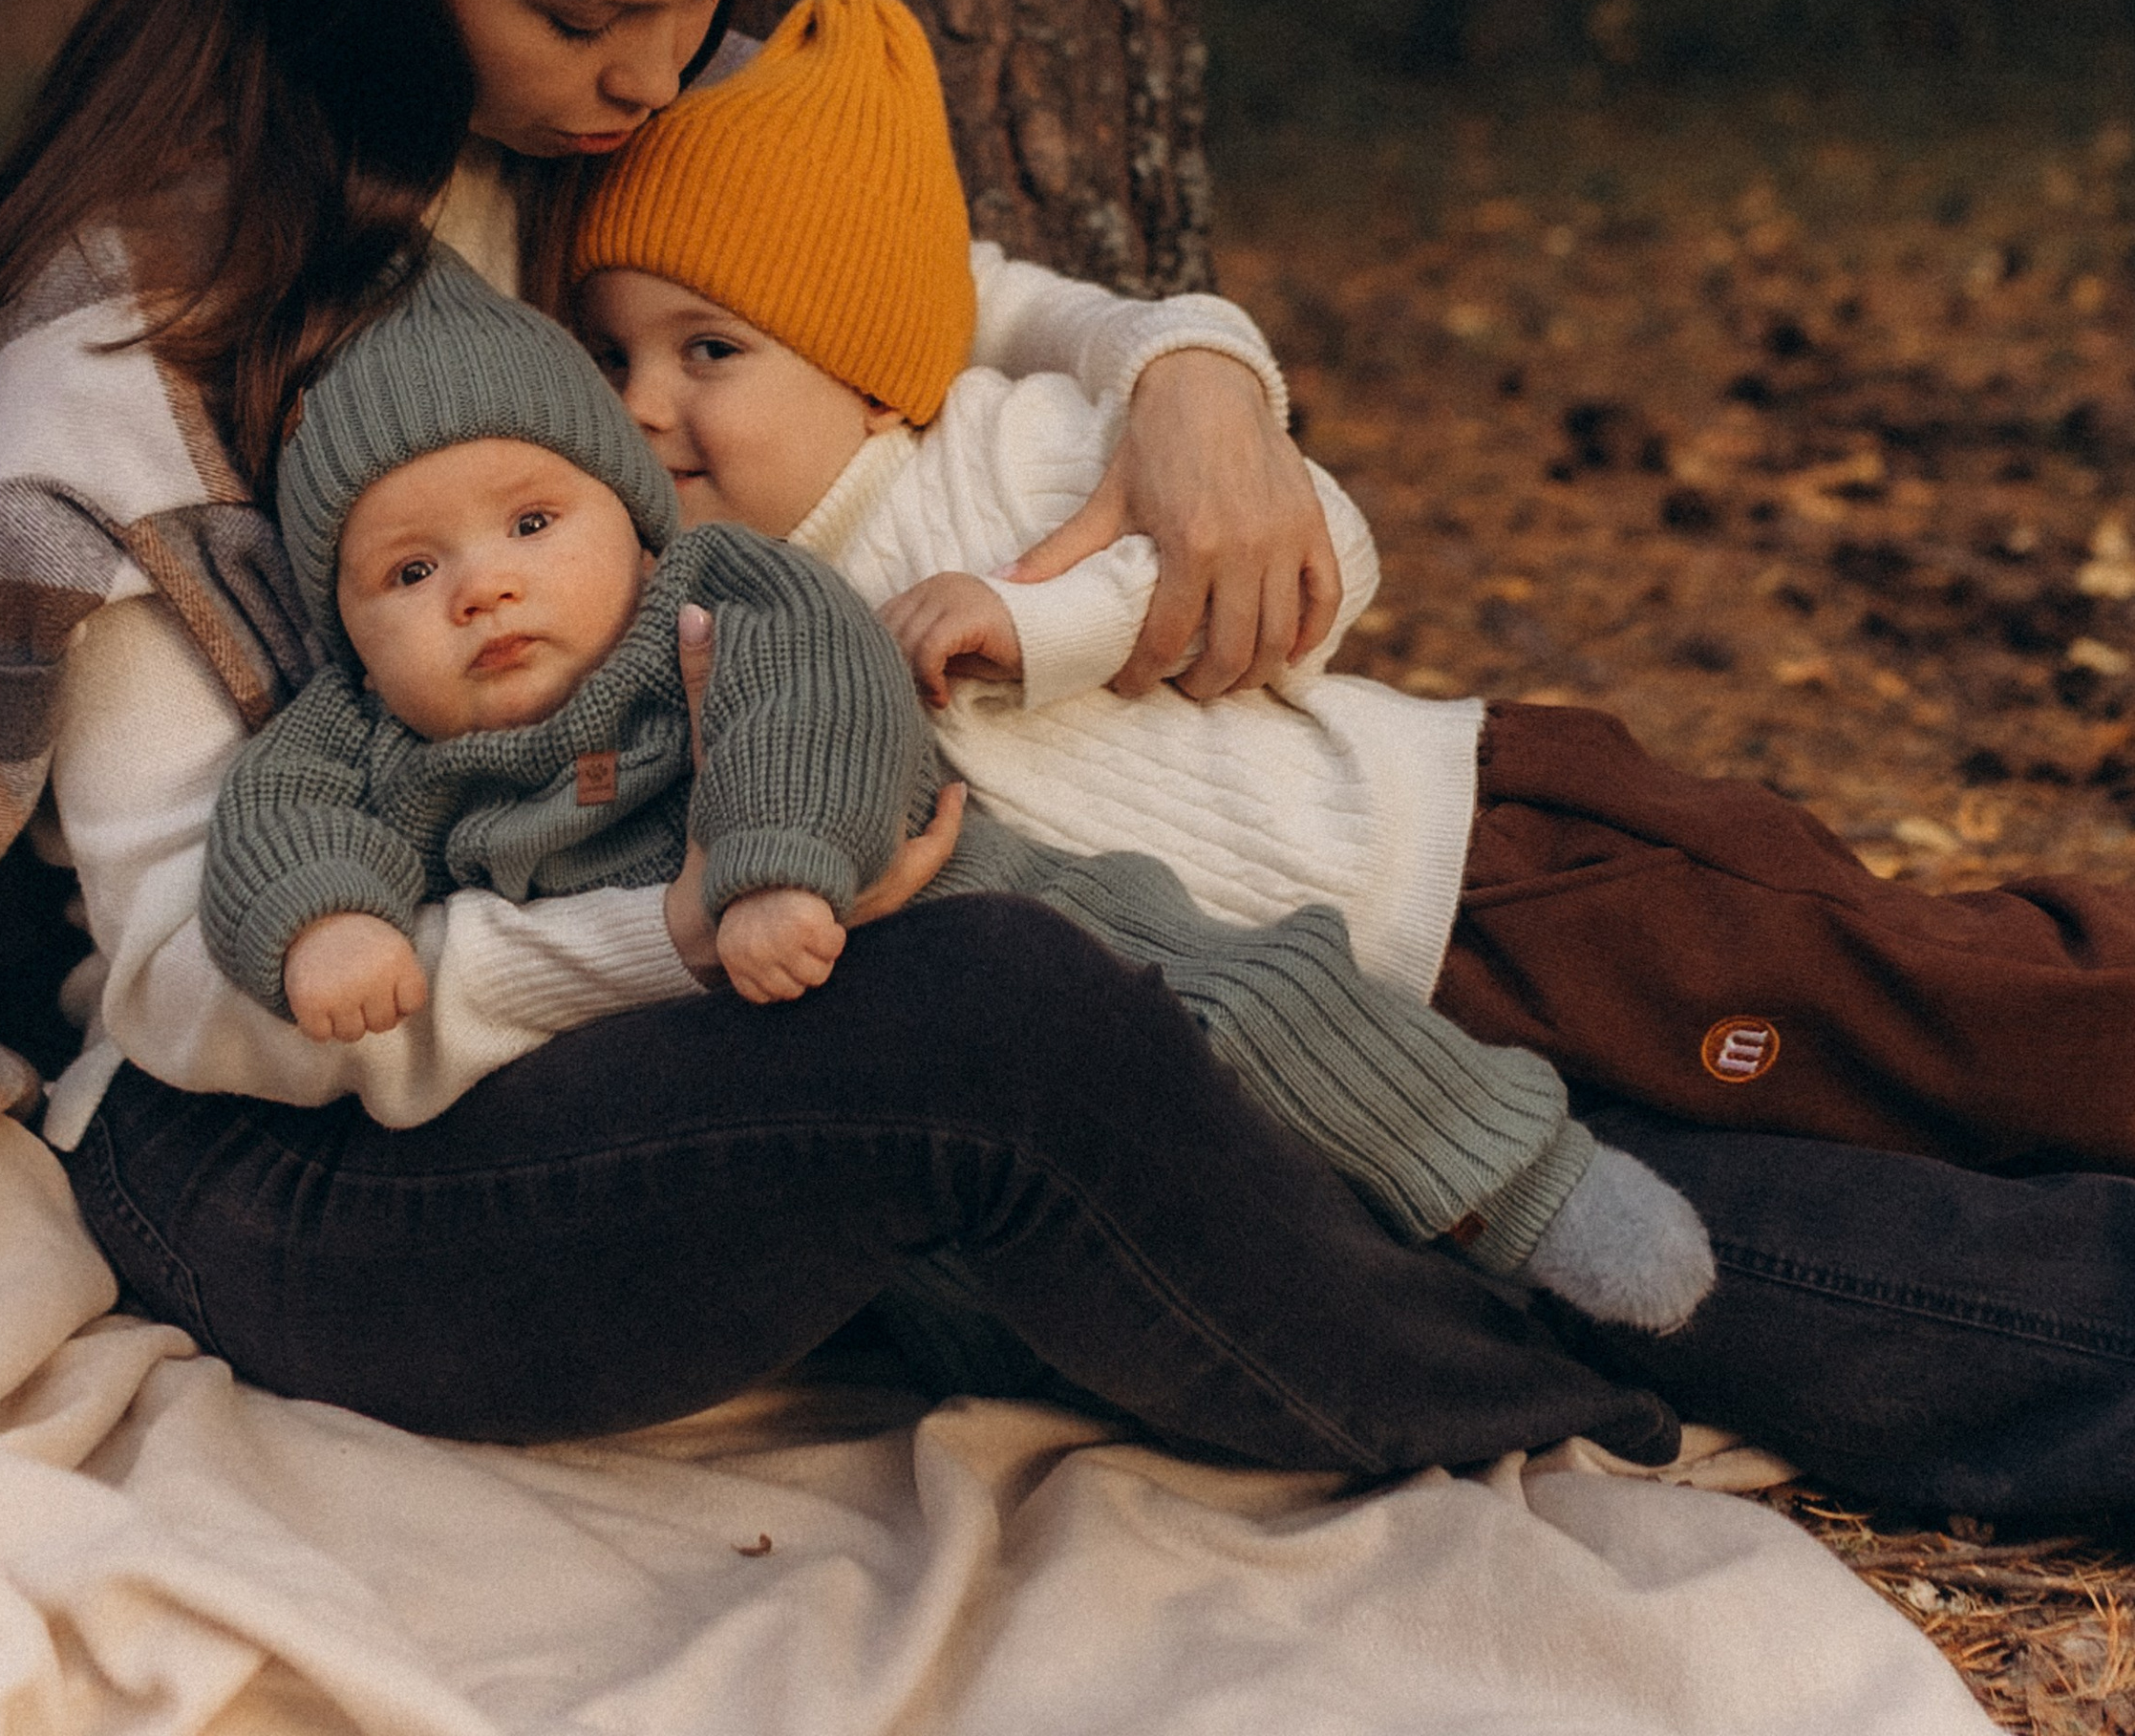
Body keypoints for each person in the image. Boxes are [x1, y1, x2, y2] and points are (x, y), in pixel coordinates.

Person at [0, 0, 2135, 1520]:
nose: (660, 75)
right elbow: (189, 992)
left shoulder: (564, 134)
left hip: (706, 928)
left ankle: (1985, 1324)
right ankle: (1575, 1397)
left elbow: (948, 296)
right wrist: (684, 933)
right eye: (593, 10)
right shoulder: (134, 344)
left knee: (1385, 986)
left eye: (706, 0)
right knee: (1017, 1029)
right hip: (319, 1144)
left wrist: (1195, 368)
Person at [563, 0, 2135, 1190]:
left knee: (1917, 997)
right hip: (1396, 1019)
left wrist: (1032, 626)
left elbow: (1317, 536)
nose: (644, 402)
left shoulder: (990, 453)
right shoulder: (733, 619)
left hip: (1481, 862)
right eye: (615, 353)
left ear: (866, 359)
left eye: (712, 352)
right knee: (1816, 1111)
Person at [199, 249, 1715, 1326]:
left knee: (1237, 995)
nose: (485, 589)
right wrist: (326, 924)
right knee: (979, 1257)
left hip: (963, 903)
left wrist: (777, 858)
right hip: (761, 1081)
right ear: (347, 624)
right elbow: (282, 817)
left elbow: (829, 686)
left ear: (625, 509)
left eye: (532, 520)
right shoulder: (372, 733)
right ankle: (1351, 1287)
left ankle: (1526, 1183)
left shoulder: (715, 592)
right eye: (411, 569)